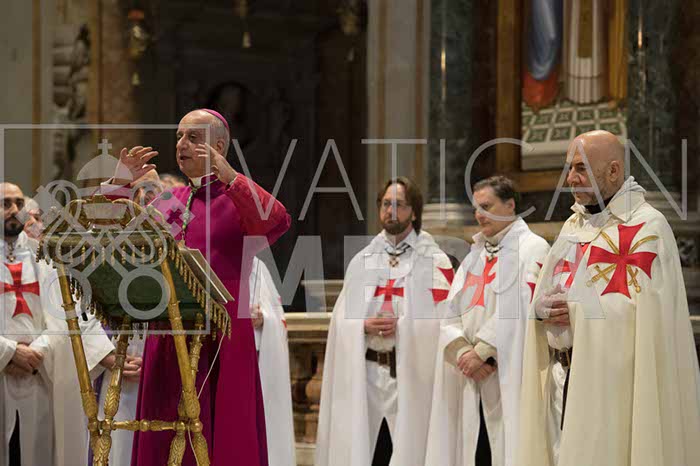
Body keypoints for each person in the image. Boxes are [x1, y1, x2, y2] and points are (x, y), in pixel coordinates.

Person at [108, 109, 291, 466]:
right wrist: (119, 184)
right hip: (168, 332)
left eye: (193, 138)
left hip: (222, 336)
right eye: (179, 136)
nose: (182, 144)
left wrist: (231, 176)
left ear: (219, 147)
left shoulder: (236, 199)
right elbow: (115, 234)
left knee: (222, 433)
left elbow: (277, 221)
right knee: (163, 433)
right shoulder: (171, 201)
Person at [518, 130, 700, 466]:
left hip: (612, 390)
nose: (570, 178)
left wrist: (573, 311)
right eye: (569, 168)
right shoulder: (573, 226)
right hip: (561, 380)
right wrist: (540, 310)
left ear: (613, 170)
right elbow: (550, 290)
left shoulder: (647, 227)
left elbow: (643, 320)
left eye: (580, 168)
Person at [315, 177, 453, 466]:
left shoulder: (434, 260)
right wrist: (361, 326)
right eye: (386, 204)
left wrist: (402, 327)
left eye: (399, 204)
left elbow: (445, 321)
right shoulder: (363, 259)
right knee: (369, 452)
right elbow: (340, 320)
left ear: (414, 212)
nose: (391, 211)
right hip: (367, 375)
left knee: (409, 451)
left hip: (411, 376)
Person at [425, 176, 550, 466]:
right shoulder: (475, 255)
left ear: (510, 205)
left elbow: (522, 306)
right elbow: (450, 311)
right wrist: (461, 351)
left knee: (509, 448)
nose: (479, 215)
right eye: (476, 209)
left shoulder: (533, 248)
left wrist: (483, 352)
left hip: (508, 369)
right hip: (471, 374)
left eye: (486, 206)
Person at [0, 183, 115, 466]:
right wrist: (8, 351)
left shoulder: (47, 258)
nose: (14, 210)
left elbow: (66, 314)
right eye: (5, 204)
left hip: (39, 373)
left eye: (19, 203)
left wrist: (36, 350)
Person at [249, 257, 296, 466]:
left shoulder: (257, 266)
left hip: (259, 363)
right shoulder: (212, 260)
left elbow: (278, 316)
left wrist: (264, 318)